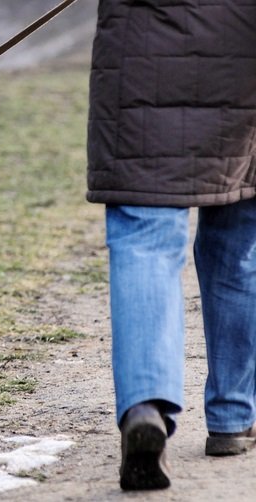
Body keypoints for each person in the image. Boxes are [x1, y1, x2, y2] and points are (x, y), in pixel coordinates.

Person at [86, 0, 256, 491]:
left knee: (143, 236)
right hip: (242, 53)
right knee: (239, 234)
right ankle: (233, 415)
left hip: (141, 58)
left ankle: (146, 406)